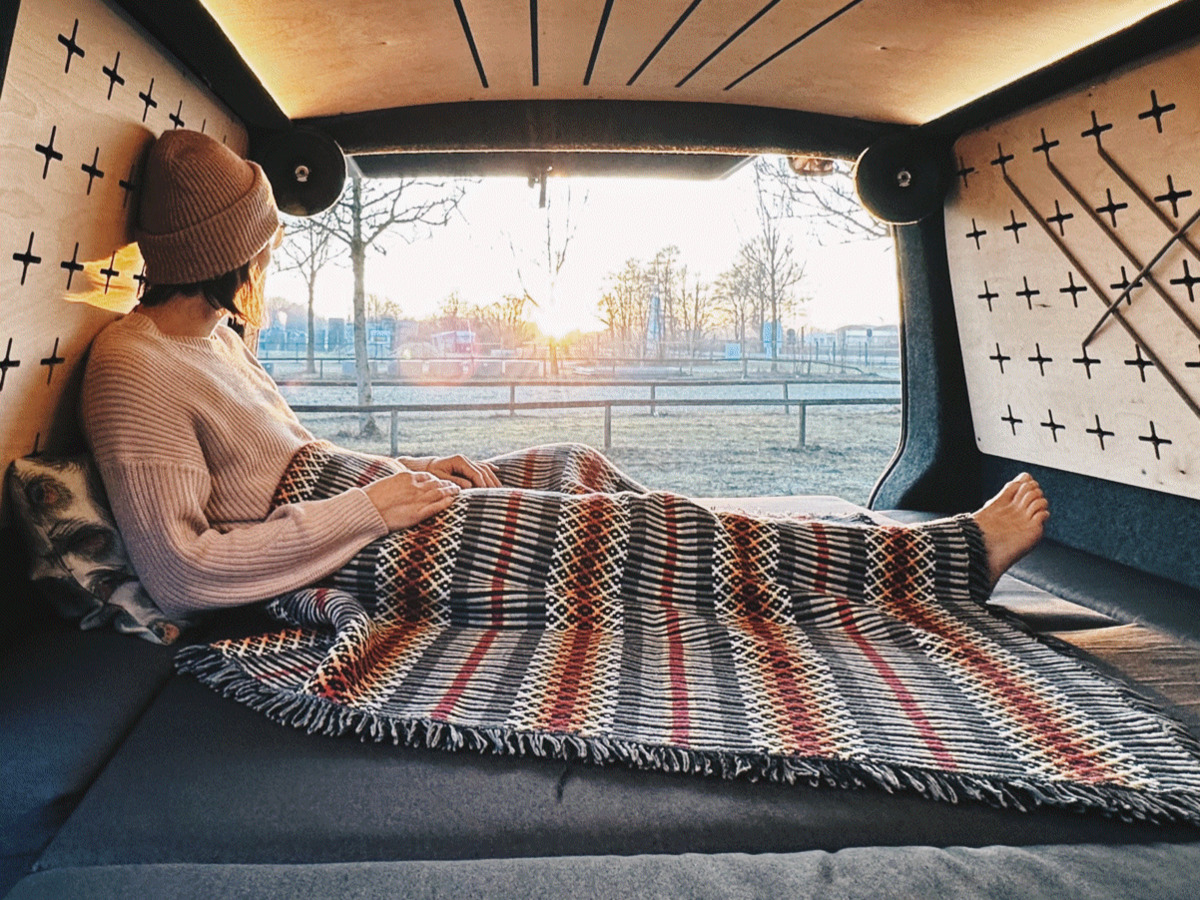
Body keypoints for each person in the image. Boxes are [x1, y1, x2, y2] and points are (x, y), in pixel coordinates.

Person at [81, 130, 1048, 620]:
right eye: (263, 242)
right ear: (229, 252)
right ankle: (949, 563)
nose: (270, 260)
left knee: (575, 462)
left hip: (365, 509)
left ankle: (761, 555)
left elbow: (291, 460)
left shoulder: (213, 337)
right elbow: (181, 570)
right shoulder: (133, 366)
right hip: (348, 551)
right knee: (647, 535)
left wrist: (409, 467)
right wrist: (374, 511)